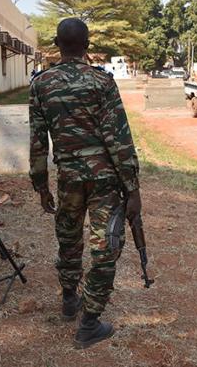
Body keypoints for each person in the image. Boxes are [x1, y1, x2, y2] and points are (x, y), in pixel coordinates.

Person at [29, 18, 141, 348]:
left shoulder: (40, 84)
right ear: (87, 44)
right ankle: (89, 322)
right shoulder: (101, 82)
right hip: (105, 180)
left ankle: (69, 300)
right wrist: (132, 187)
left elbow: (38, 140)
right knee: (105, 248)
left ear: (56, 43)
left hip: (68, 179)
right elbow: (119, 138)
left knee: (69, 239)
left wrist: (40, 183)